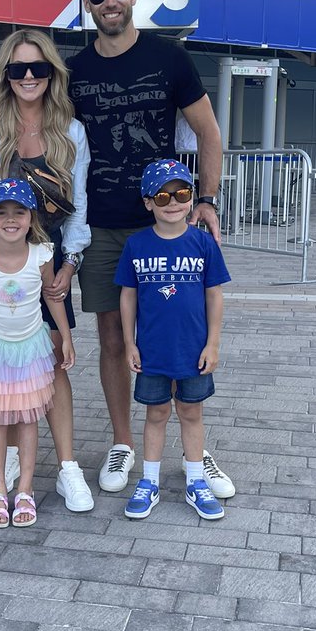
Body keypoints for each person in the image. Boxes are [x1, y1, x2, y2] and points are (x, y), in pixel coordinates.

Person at [67, 0, 230, 498]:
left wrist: (205, 198)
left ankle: (196, 451)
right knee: (113, 338)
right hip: (103, 227)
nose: (109, 2)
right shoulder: (74, 71)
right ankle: (123, 442)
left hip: (166, 223)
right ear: (87, 4)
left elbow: (209, 133)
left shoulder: (169, 58)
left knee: (180, 333)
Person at [0, 29, 94, 512]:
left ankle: (68, 467)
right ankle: (7, 462)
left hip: (47, 270)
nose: (29, 77)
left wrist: (70, 264)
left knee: (52, 362)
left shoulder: (70, 131)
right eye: (18, 69)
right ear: (4, 76)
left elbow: (81, 207)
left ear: (52, 73)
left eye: (38, 68)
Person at [116, 159, 232, 520]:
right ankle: (149, 481)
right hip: (152, 350)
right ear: (148, 202)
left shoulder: (202, 244)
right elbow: (128, 297)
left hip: (193, 351)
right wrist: (129, 343)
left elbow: (214, 295)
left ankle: (196, 480)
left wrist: (213, 343)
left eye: (181, 193)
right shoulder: (136, 246)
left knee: (191, 413)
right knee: (156, 413)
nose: (173, 202)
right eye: (163, 196)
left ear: (191, 197)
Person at [0, 179, 74, 529]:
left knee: (28, 419)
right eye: (2, 213)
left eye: (19, 212)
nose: (10, 220)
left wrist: (66, 338)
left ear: (31, 218)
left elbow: (52, 297)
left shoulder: (42, 252)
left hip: (32, 348)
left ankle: (25, 488)